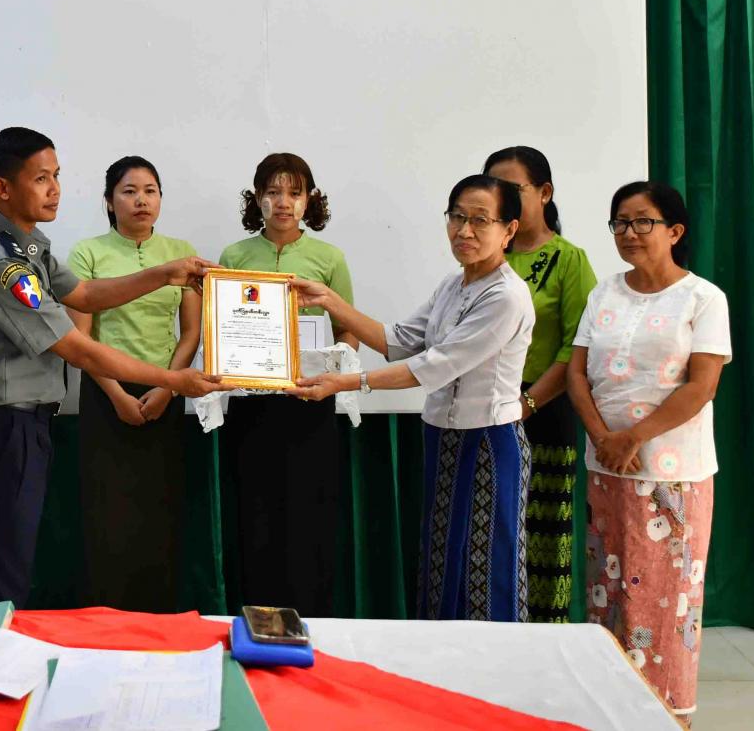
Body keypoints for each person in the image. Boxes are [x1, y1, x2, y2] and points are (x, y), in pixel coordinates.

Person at [0, 127, 220, 608]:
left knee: (11, 561)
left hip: (24, 423)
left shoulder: (26, 243)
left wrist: (164, 273)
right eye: (40, 179)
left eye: (56, 176)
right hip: (1, 427)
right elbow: (77, 347)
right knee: (0, 572)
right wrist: (173, 380)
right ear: (3, 188)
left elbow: (86, 294)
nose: (54, 189)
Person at [288, 174, 535, 622]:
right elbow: (400, 341)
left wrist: (346, 382)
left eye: (480, 220)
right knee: (441, 562)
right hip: (442, 438)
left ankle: (495, 663)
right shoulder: (452, 285)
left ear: (509, 230)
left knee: (486, 570)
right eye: (457, 217)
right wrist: (329, 301)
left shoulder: (507, 297)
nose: (464, 231)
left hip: (489, 441)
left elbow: (434, 365)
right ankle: (440, 659)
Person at [566, 182, 730, 723]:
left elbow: (701, 385)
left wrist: (632, 437)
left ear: (674, 231)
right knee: (608, 592)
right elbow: (576, 373)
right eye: (620, 223)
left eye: (643, 222)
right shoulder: (604, 293)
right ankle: (611, 706)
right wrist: (602, 437)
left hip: (671, 476)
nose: (629, 233)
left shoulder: (704, 298)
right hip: (607, 470)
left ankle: (665, 714)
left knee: (664, 601)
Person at [216, 153, 356, 616]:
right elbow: (225, 328)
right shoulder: (235, 256)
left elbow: (348, 331)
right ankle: (257, 620)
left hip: (309, 405)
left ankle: (313, 620)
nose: (283, 202)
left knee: (308, 519)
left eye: (295, 193)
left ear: (309, 200)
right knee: (255, 518)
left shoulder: (330, 258)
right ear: (257, 198)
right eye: (273, 192)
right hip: (251, 407)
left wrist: (331, 371)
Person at [69, 157, 201, 612]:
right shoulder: (87, 253)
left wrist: (168, 388)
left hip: (165, 393)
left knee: (160, 513)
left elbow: (190, 333)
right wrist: (117, 394)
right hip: (106, 392)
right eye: (128, 191)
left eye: (150, 190)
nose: (141, 200)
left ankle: (159, 617)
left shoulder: (181, 252)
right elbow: (81, 338)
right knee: (107, 515)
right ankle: (105, 617)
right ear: (109, 201)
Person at [483, 146, 597, 624]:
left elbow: (577, 348)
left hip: (544, 411)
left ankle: (547, 638)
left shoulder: (570, 260)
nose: (501, 199)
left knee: (543, 535)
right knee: (492, 532)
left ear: (545, 193)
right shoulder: (488, 257)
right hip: (487, 410)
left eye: (513, 189)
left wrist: (526, 403)